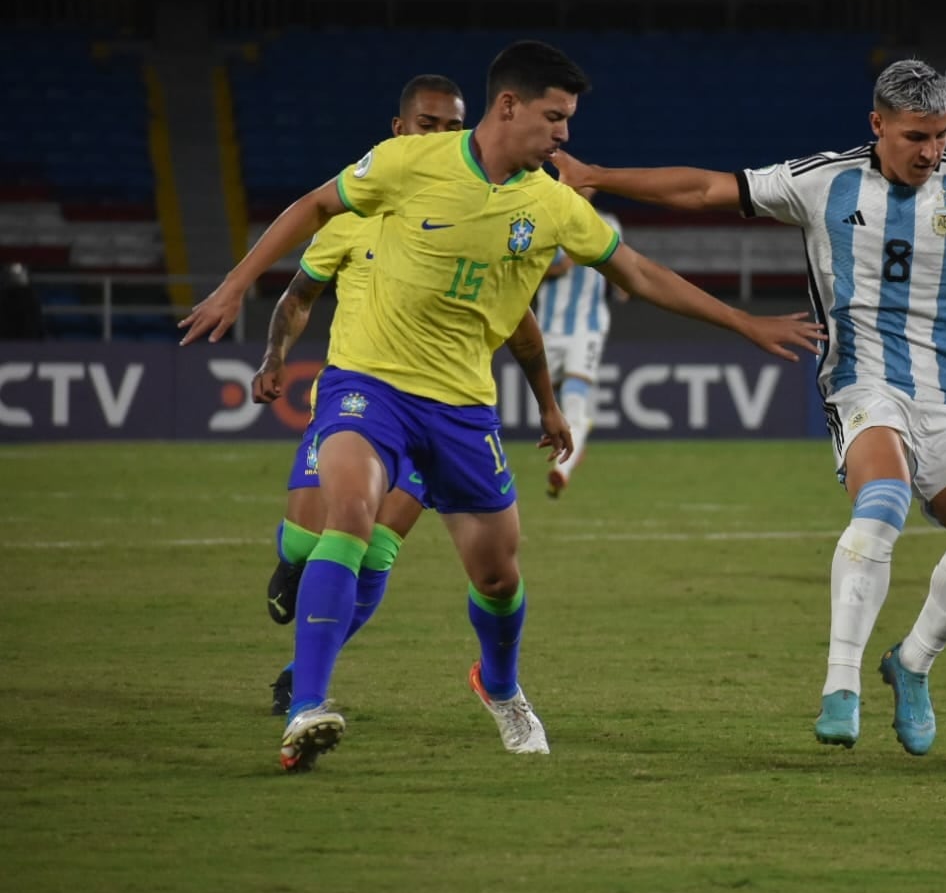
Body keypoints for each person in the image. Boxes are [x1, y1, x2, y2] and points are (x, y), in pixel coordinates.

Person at [181, 39, 824, 772]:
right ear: (508, 106)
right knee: (350, 519)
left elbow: (636, 274)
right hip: (369, 382)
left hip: (460, 409)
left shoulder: (549, 206)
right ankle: (306, 708)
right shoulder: (406, 163)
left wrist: (745, 324)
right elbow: (315, 205)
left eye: (569, 121)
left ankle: (499, 684)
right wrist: (237, 286)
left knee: (497, 576)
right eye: (555, 117)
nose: (565, 136)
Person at [551, 59, 946, 756]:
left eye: (942, 135)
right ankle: (841, 684)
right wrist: (595, 178)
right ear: (877, 125)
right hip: (862, 383)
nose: (930, 151)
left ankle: (911, 664)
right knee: (883, 497)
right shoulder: (822, 182)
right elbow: (707, 188)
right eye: (915, 135)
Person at [251, 72, 574, 716]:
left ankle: (304, 680)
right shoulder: (352, 214)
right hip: (357, 399)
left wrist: (547, 400)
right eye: (429, 125)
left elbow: (519, 323)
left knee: (375, 545)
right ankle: (293, 570)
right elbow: (300, 295)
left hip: (440, 411)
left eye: (454, 126)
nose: (444, 136)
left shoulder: (474, 208)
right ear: (399, 130)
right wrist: (274, 357)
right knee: (305, 539)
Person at [534, 188, 627, 500]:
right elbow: (535, 268)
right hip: (547, 328)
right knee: (556, 405)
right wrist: (562, 263)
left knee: (575, 399)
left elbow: (620, 262)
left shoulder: (609, 222)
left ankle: (562, 470)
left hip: (587, 328)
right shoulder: (549, 221)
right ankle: (577, 445)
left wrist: (621, 283)